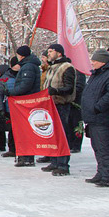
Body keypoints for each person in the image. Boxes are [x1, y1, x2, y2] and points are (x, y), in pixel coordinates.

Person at [81, 49, 109, 186]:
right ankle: (101, 172)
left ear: (102, 61)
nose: (92, 62)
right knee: (98, 148)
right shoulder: (97, 74)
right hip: (94, 117)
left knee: (106, 148)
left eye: (94, 60)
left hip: (104, 117)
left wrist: (97, 107)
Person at [43, 44, 76, 176]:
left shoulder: (67, 67)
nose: (48, 53)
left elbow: (69, 88)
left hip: (61, 104)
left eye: (51, 51)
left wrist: (55, 91)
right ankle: (55, 161)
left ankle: (63, 164)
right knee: (52, 134)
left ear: (59, 53)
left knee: (62, 134)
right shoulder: (52, 67)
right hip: (50, 104)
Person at [8, 46, 42, 167]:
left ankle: (27, 157)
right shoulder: (28, 66)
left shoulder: (28, 66)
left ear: (21, 55)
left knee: (25, 131)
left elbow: (25, 85)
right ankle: (24, 156)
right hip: (25, 101)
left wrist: (12, 92)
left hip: (26, 101)